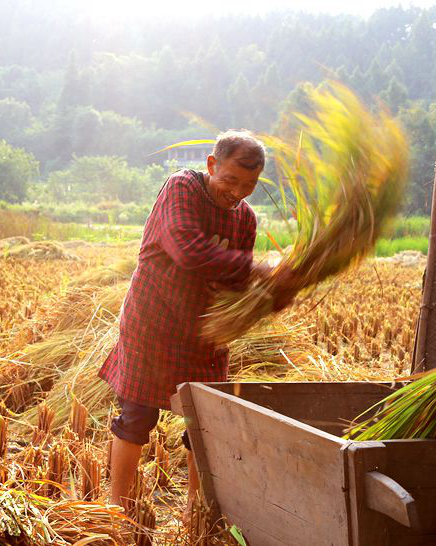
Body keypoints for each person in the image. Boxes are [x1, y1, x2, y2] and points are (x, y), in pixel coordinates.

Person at [99, 130, 294, 512]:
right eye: (230, 180)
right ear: (211, 165)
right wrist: (260, 270)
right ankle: (117, 509)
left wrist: (272, 293)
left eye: (249, 185)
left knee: (203, 425)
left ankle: (196, 510)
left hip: (204, 332)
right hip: (152, 322)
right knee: (137, 417)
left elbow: (236, 281)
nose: (237, 191)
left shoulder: (245, 219)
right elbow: (187, 249)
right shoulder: (182, 187)